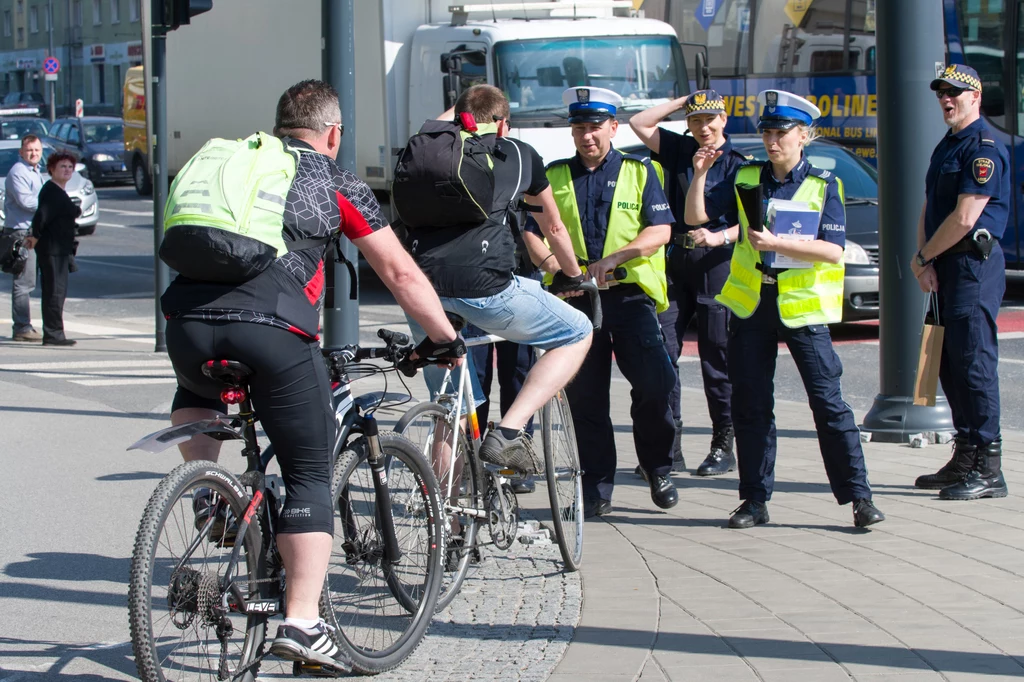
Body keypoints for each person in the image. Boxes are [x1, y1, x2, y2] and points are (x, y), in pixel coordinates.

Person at [160, 80, 462, 673]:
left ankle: (207, 492)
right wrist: (444, 338)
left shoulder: (237, 166)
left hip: (186, 326)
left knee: (201, 387)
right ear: (333, 133)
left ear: (279, 125)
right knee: (307, 472)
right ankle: (302, 624)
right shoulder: (332, 176)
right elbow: (398, 271)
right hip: (271, 329)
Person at [685, 89, 885, 530]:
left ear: (803, 136)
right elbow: (697, 218)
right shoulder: (746, 178)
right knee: (751, 406)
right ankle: (754, 501)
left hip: (802, 309)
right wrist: (700, 175)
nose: (773, 140)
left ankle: (860, 497)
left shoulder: (823, 184)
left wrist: (776, 243)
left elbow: (833, 250)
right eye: (767, 131)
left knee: (828, 404)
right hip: (754, 305)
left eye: (782, 132)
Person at [401, 84, 593, 476]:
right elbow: (553, 226)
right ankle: (508, 432)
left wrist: (459, 108)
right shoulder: (520, 154)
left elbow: (431, 128)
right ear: (504, 123)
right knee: (577, 332)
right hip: (485, 289)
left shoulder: (430, 152)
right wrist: (575, 275)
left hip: (423, 293)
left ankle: (447, 524)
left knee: (450, 410)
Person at [532, 86, 678, 518]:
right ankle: (596, 484)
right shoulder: (553, 175)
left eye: (595, 127)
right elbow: (530, 231)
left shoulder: (640, 170)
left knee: (657, 385)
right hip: (576, 301)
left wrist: (617, 257)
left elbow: (661, 230)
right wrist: (557, 269)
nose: (587, 136)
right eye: (579, 128)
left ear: (613, 127)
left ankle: (658, 467)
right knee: (586, 397)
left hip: (630, 297)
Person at [629, 90, 749, 476]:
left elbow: (750, 221)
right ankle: (668, 448)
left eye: (710, 120)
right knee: (664, 352)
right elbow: (640, 123)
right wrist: (683, 101)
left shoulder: (739, 164)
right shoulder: (681, 149)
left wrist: (719, 236)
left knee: (717, 358)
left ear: (724, 119)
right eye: (695, 121)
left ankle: (723, 445)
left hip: (717, 262)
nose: (703, 128)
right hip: (676, 262)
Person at [912, 65, 1009, 500]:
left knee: (973, 364)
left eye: (956, 92)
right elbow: (930, 207)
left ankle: (989, 467)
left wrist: (926, 255)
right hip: (944, 266)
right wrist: (921, 261)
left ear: (976, 95)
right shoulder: (947, 145)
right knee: (947, 364)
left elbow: (966, 218)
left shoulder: (984, 147)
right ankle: (966, 455)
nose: (947, 99)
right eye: (941, 94)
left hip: (973, 265)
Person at [22, 151, 80, 346]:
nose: (67, 170)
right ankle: (53, 334)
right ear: (52, 169)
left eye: (70, 167)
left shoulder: (57, 191)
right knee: (54, 292)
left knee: (56, 292)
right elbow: (42, 216)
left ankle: (54, 332)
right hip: (53, 250)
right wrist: (35, 237)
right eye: (62, 166)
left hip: (59, 250)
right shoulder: (52, 191)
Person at [3, 134, 44, 342]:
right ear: (21, 152)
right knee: (22, 281)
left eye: (37, 150)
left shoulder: (35, 172)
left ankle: (24, 324)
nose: (34, 153)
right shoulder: (18, 172)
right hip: (21, 234)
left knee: (28, 280)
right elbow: (26, 202)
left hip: (30, 231)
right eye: (29, 150)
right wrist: (48, 202)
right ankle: (21, 327)